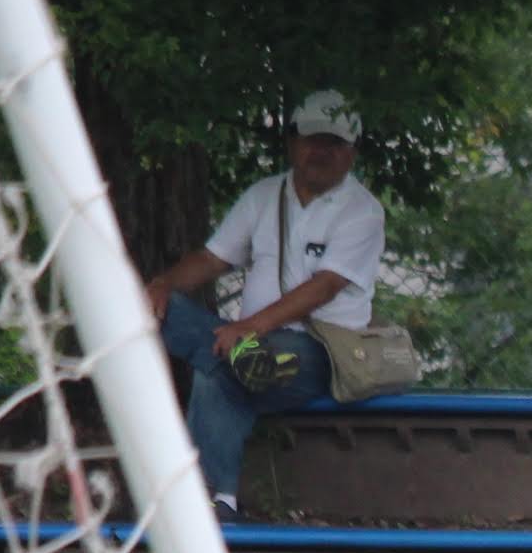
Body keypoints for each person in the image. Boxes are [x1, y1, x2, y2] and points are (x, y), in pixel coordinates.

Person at [137, 91, 388, 522]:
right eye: (312, 138)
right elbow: (213, 259)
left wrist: (250, 327)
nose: (320, 151)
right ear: (292, 141)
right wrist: (161, 285)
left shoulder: (363, 211)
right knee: (160, 314)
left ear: (352, 151)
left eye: (333, 142)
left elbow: (325, 287)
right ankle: (222, 502)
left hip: (319, 350)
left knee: (220, 368)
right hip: (246, 342)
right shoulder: (263, 195)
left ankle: (211, 499)